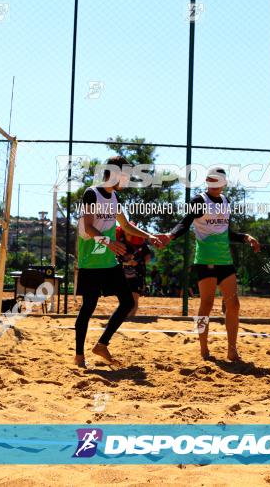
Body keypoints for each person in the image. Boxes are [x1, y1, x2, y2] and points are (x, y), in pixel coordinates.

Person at [156, 167, 259, 361]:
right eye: (212, 179)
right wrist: (170, 235)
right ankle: (204, 348)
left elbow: (227, 232)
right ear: (207, 181)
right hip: (205, 260)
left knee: (234, 305)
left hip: (225, 261)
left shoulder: (226, 201)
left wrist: (246, 237)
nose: (215, 183)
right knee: (207, 303)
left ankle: (232, 349)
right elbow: (185, 222)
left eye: (219, 180)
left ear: (224, 183)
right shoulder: (199, 201)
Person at [74, 155, 164, 367]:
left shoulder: (114, 198)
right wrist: (109, 242)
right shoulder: (91, 193)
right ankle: (79, 355)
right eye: (126, 176)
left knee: (127, 302)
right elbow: (88, 227)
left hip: (108, 260)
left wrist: (148, 236)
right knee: (88, 307)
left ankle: (102, 344)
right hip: (91, 259)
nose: (127, 180)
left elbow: (125, 226)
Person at [116, 224, 153, 317]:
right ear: (123, 230)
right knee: (123, 298)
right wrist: (124, 260)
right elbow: (114, 256)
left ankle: (131, 317)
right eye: (126, 229)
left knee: (134, 296)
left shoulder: (141, 242)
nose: (128, 232)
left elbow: (148, 257)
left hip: (137, 274)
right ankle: (125, 316)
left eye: (131, 229)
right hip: (122, 274)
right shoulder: (119, 241)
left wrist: (138, 262)